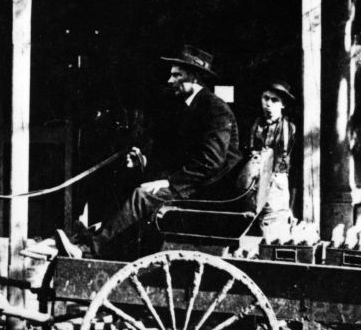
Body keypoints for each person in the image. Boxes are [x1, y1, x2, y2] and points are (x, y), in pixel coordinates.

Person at [61, 45, 242, 257]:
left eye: (177, 76)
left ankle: (89, 250)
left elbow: (210, 162)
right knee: (129, 182)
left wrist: (169, 183)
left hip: (211, 190)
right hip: (194, 183)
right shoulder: (186, 106)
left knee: (143, 195)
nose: (170, 80)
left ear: (194, 78)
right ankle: (106, 241)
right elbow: (173, 150)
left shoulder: (215, 109)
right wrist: (143, 159)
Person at [241, 81, 298, 240]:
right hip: (253, 182)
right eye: (266, 98)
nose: (268, 104)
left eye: (274, 100)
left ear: (282, 105)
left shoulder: (289, 128)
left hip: (275, 183)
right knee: (248, 226)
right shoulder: (255, 125)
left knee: (272, 231)